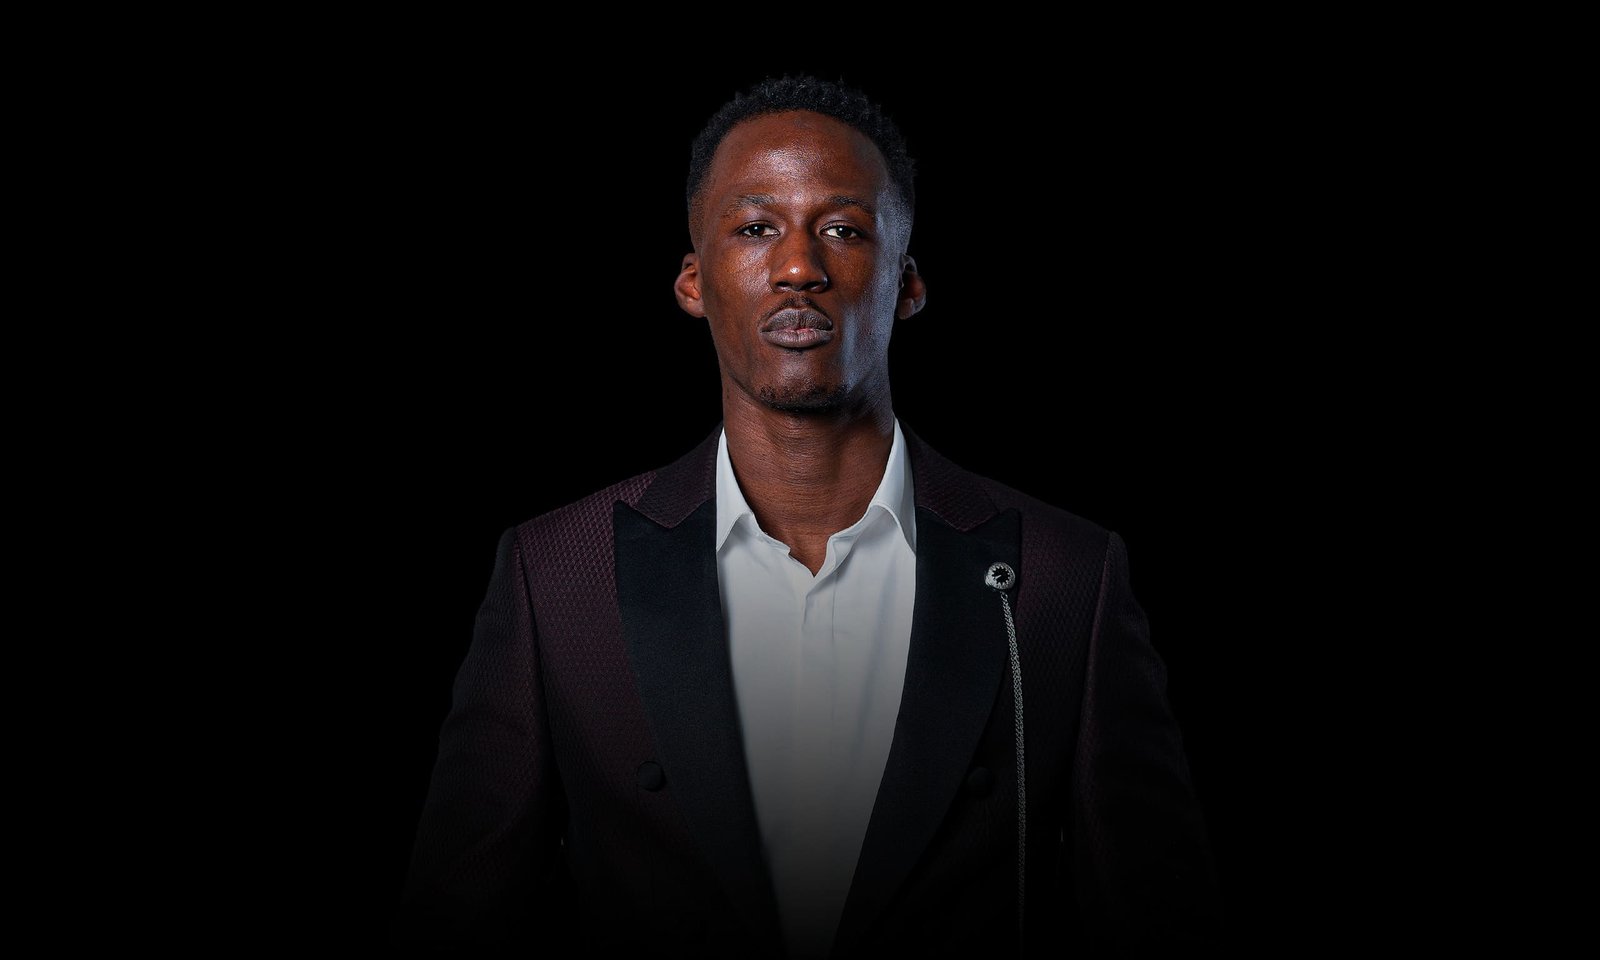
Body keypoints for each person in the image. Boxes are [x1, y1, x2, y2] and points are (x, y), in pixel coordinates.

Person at [395, 75, 1222, 958]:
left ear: (907, 283)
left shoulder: (1065, 579)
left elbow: (1158, 929)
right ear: (692, 281)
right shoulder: (558, 575)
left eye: (843, 229)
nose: (799, 268)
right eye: (756, 228)